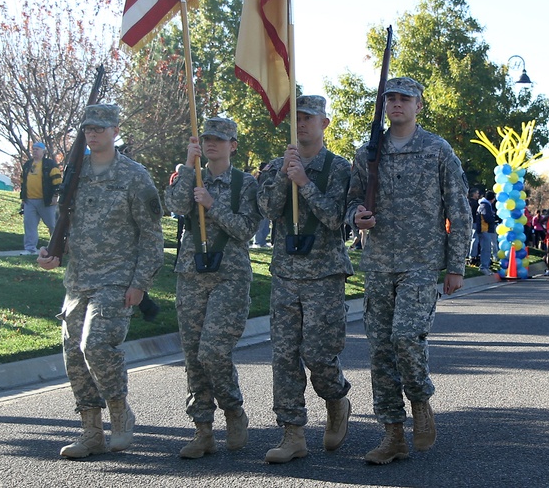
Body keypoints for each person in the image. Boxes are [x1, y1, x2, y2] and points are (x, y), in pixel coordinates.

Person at [346, 76, 471, 465]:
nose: (396, 104)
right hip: (379, 262)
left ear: (419, 105)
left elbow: (459, 209)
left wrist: (456, 267)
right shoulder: (369, 151)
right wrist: (357, 216)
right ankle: (392, 434)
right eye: (390, 98)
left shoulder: (436, 150)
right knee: (380, 351)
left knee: (405, 337)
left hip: (421, 261)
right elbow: (351, 200)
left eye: (404, 98)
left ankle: (420, 400)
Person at [36, 104, 164, 459]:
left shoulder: (134, 175)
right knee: (74, 356)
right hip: (78, 280)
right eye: (88, 128)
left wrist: (140, 282)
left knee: (96, 345)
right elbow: (65, 224)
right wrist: (51, 253)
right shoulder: (75, 174)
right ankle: (91, 431)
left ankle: (121, 415)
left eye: (100, 128)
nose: (93, 134)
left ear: (115, 130)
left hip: (116, 280)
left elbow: (152, 236)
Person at [256, 95, 354, 463]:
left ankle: (336, 398)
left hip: (324, 274)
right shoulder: (276, 167)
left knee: (319, 354)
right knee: (283, 357)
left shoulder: (341, 169)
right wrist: (285, 175)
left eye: (309, 118)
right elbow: (265, 210)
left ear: (324, 124)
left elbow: (334, 219)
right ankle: (292, 433)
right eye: (296, 118)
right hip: (285, 273)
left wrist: (305, 182)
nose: (302, 124)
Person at [164, 117, 260, 458]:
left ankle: (233, 409)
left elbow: (246, 229)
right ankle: (202, 429)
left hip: (229, 277)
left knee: (213, 351)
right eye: (206, 138)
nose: (211, 144)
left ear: (233, 144)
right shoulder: (190, 176)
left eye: (219, 139)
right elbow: (174, 207)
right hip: (191, 274)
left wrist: (211, 205)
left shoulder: (245, 183)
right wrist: (189, 168)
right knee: (193, 356)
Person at [20, 142, 62, 254]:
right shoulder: (27, 165)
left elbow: (57, 181)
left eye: (37, 149)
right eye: (33, 149)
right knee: (29, 226)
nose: (34, 151)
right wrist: (23, 198)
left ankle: (58, 247)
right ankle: (30, 249)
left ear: (43, 151)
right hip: (30, 201)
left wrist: (55, 196)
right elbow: (22, 182)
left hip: (46, 201)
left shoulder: (50, 164)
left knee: (53, 225)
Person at [477, 190, 498, 274]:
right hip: (484, 229)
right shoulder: (485, 205)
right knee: (486, 249)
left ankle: (486, 266)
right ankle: (483, 267)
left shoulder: (485, 205)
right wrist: (494, 219)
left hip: (486, 229)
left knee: (487, 249)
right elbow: (486, 217)